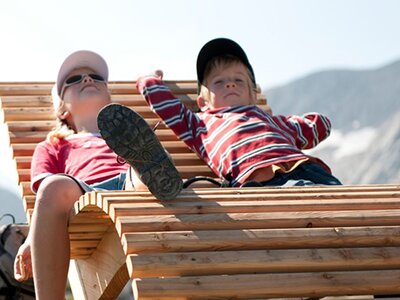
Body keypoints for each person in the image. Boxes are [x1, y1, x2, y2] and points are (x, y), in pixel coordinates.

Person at [13, 50, 180, 300]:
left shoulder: (128, 134)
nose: (87, 79)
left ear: (108, 96)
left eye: (95, 77)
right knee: (53, 186)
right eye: (74, 79)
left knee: (141, 168)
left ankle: (153, 169)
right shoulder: (55, 145)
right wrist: (30, 241)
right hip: (86, 193)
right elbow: (45, 201)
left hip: (129, 180)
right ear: (62, 110)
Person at [98, 37, 341, 189]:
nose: (230, 84)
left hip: (307, 170)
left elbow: (316, 127)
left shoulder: (274, 122)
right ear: (202, 101)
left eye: (238, 80)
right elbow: (167, 106)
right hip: (256, 184)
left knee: (335, 202)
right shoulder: (200, 124)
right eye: (219, 82)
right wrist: (148, 80)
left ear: (253, 95)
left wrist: (317, 124)